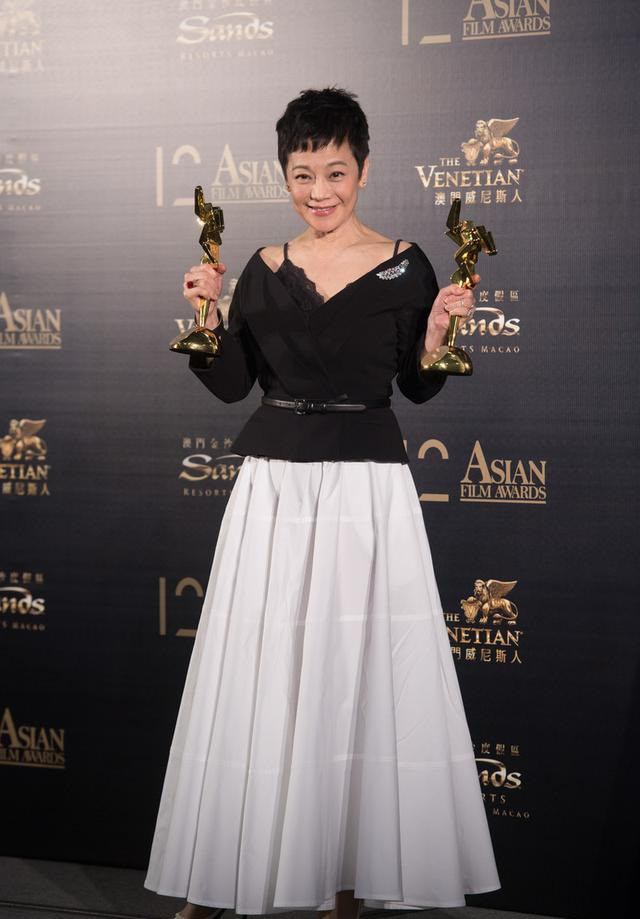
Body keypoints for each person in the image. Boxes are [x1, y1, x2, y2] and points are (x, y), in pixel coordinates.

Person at [144, 88, 500, 919]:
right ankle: (228, 876)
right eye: (302, 174)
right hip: (273, 487)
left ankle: (343, 879)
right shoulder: (263, 269)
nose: (319, 191)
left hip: (366, 490)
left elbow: (417, 385)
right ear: (284, 175)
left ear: (363, 170)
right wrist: (204, 312)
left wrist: (438, 334)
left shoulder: (409, 264)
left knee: (354, 680)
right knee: (259, 672)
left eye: (335, 172)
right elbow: (231, 385)